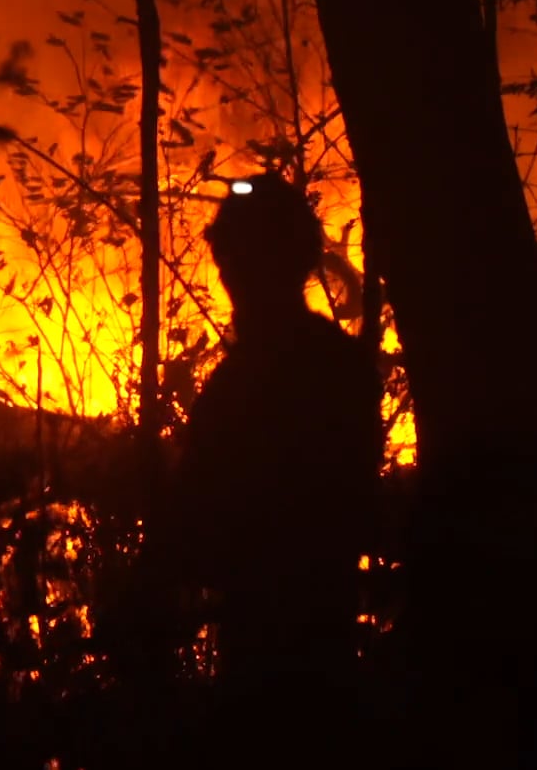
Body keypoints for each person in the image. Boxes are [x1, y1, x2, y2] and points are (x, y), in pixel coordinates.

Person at [140, 172, 382, 724]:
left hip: (270, 646)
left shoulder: (244, 385)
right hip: (324, 639)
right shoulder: (341, 366)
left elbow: (193, 517)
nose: (229, 275)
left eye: (236, 260)